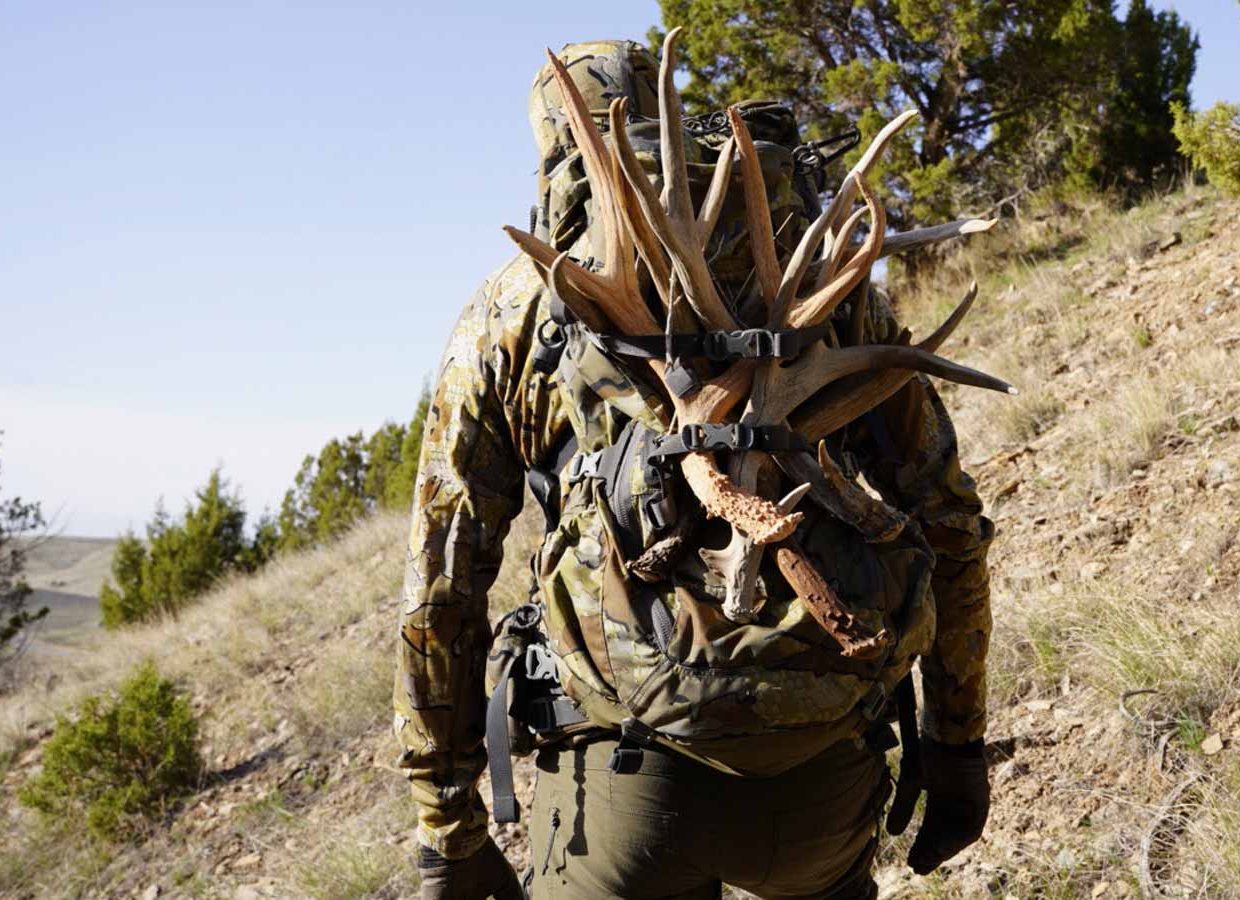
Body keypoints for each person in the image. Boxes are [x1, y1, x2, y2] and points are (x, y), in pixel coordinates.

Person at [393, 38, 996, 900]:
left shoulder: (518, 305)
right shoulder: (820, 274)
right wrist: (958, 745)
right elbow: (948, 519)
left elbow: (441, 583)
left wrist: (447, 826)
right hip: (824, 765)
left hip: (624, 784)